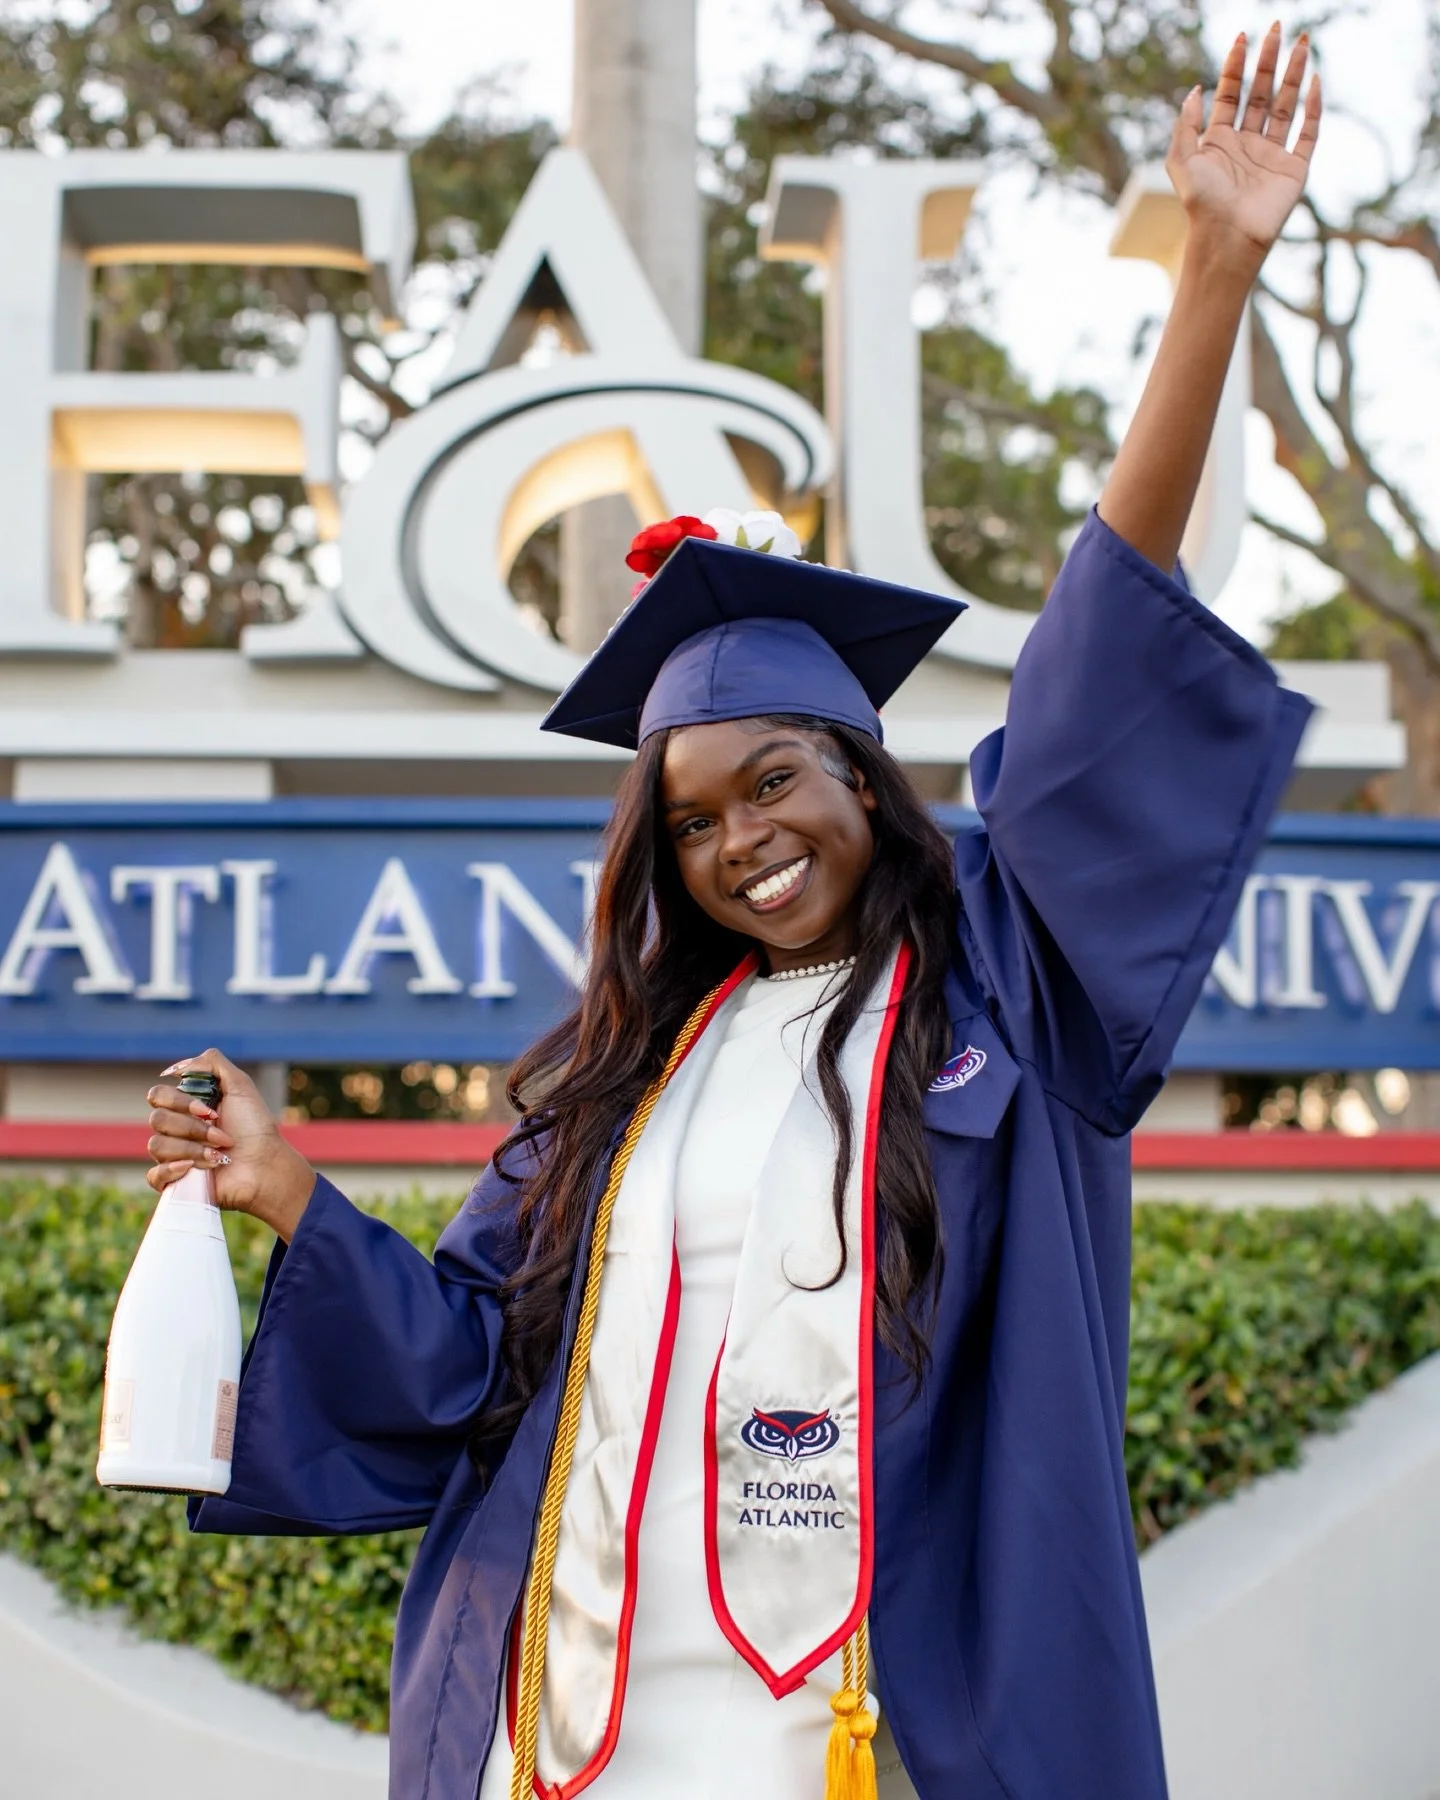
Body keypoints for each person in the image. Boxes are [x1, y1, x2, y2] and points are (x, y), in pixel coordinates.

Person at [143, 29, 1321, 1800]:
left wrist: (1210, 279)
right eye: (692, 821)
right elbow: (472, 1363)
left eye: (773, 781)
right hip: (598, 1722)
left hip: (880, 1723)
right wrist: (289, 1189)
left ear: (860, 771)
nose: (739, 842)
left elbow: (1100, 657)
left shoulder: (1008, 975)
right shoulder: (629, 1090)